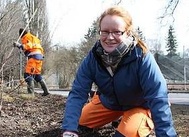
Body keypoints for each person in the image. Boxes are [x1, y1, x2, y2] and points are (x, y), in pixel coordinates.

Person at [62, 6, 177, 137]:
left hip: (139, 106)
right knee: (78, 122)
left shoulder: (142, 57)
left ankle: (142, 119)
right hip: (109, 102)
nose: (109, 37)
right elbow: (78, 92)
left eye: (117, 32)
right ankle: (116, 116)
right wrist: (69, 129)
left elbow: (158, 96)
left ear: (128, 32)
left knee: (127, 133)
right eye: (104, 32)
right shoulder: (93, 58)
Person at [13, 28, 49, 96]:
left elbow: (28, 46)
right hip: (40, 57)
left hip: (33, 57)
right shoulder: (34, 37)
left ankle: (30, 94)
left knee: (28, 75)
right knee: (37, 75)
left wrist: (19, 45)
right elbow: (37, 47)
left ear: (21, 34)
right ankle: (46, 91)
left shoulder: (26, 37)